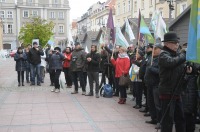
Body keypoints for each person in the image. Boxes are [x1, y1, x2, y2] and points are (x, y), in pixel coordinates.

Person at [158, 32, 189, 132]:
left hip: (177, 91)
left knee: (180, 119)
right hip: (167, 92)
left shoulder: (177, 55)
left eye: (177, 43)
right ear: (167, 44)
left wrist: (188, 70)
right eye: (174, 43)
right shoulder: (163, 54)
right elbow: (171, 63)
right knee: (168, 120)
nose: (177, 45)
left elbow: (179, 68)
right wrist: (184, 54)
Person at [144, 43, 163, 125]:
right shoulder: (151, 58)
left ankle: (160, 121)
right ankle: (153, 118)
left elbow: (161, 72)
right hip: (149, 84)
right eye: (153, 49)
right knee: (150, 103)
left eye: (155, 49)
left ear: (160, 50)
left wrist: (152, 68)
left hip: (156, 84)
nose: (153, 51)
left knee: (157, 104)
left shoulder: (161, 59)